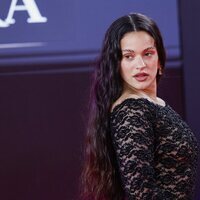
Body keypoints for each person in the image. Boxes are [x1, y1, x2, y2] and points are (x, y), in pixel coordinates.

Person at [81, 13, 199, 200]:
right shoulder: (131, 109)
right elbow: (142, 194)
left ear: (160, 59)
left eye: (148, 54)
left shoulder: (153, 104)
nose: (140, 64)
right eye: (129, 56)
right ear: (116, 64)